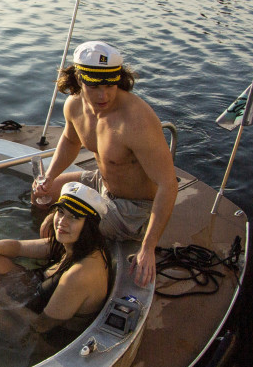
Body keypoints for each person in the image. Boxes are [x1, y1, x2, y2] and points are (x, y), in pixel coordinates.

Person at [31, 41, 176, 288]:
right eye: (94, 86)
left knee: (67, 224)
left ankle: (57, 275)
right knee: (43, 195)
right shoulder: (74, 105)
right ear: (78, 78)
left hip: (135, 209)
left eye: (110, 85)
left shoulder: (136, 120)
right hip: (102, 183)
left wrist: (148, 248)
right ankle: (52, 249)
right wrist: (50, 178)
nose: (103, 95)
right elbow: (69, 140)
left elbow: (168, 185)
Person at [0, 182, 113, 337]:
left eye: (74, 218)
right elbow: (18, 247)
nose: (62, 222)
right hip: (38, 296)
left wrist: (2, 298)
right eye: (61, 212)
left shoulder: (79, 274)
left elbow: (42, 326)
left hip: (46, 337)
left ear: (89, 226)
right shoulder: (76, 245)